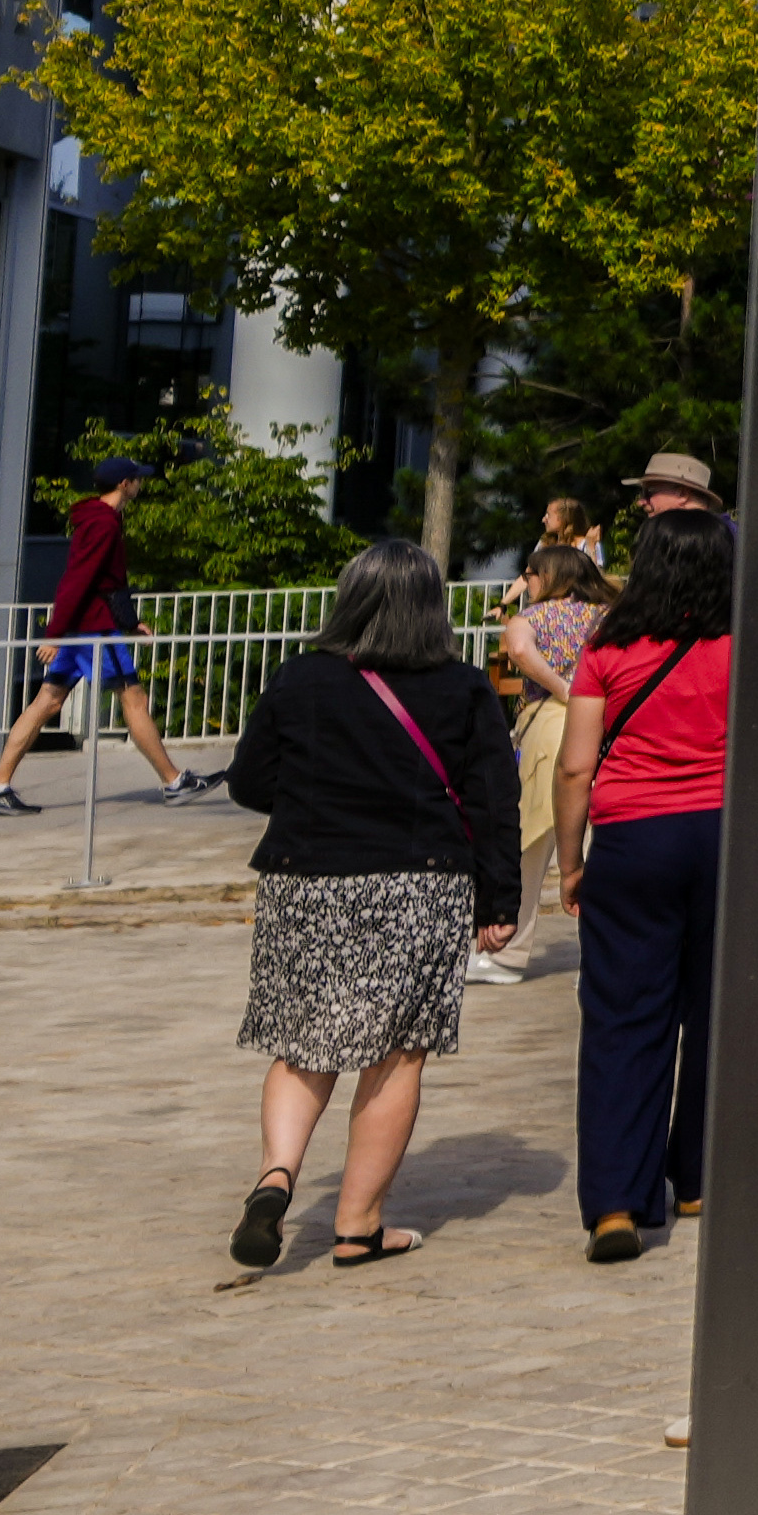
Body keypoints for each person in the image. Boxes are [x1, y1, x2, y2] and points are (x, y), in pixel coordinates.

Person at [220, 537, 520, 1277]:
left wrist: (315, 797)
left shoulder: (301, 679)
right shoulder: (461, 688)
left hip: (308, 877)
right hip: (419, 884)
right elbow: (492, 799)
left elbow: (248, 780)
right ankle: (357, 1227)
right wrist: (500, 896)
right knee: (396, 1051)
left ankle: (276, 1177)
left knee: (303, 1042)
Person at [565, 504, 736, 1264]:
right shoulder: (745, 643)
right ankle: (697, 1175)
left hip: (633, 839)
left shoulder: (607, 644)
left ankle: (615, 1202)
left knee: (623, 1017)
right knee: (716, 1008)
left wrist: (572, 859)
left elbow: (576, 763)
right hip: (727, 835)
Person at [0, 453, 203, 810]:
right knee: (134, 700)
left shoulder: (100, 519)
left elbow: (105, 581)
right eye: (137, 479)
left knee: (46, 702)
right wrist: (54, 634)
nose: (141, 484)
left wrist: (127, 620)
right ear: (124, 485)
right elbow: (78, 581)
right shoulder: (104, 524)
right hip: (94, 630)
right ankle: (174, 781)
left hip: (84, 627)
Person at [491, 542, 607, 932]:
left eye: (530, 574)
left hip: (548, 721)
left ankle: (511, 942)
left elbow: (520, 651)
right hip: (602, 726)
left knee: (532, 837)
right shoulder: (606, 616)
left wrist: (562, 687)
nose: (526, 582)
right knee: (595, 838)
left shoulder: (532, 616)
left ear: (549, 575)